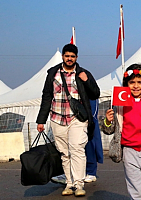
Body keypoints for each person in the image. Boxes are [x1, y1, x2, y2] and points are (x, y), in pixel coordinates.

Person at [36, 43, 100, 197]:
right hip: (57, 118)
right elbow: (46, 97)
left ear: (76, 57)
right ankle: (69, 183)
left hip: (77, 119)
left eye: (72, 56)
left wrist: (86, 81)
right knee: (65, 153)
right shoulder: (53, 73)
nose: (69, 59)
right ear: (63, 56)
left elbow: (95, 93)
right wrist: (41, 120)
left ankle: (79, 184)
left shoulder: (83, 73)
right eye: (67, 56)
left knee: (77, 150)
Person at [101, 63, 141, 199]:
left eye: (139, 82)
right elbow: (109, 130)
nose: (136, 86)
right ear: (126, 83)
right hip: (129, 152)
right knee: (137, 191)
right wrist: (107, 120)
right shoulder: (119, 103)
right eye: (132, 82)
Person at [51, 99, 104, 184]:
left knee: (89, 136)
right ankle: (69, 173)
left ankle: (90, 171)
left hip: (86, 98)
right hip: (69, 102)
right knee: (67, 141)